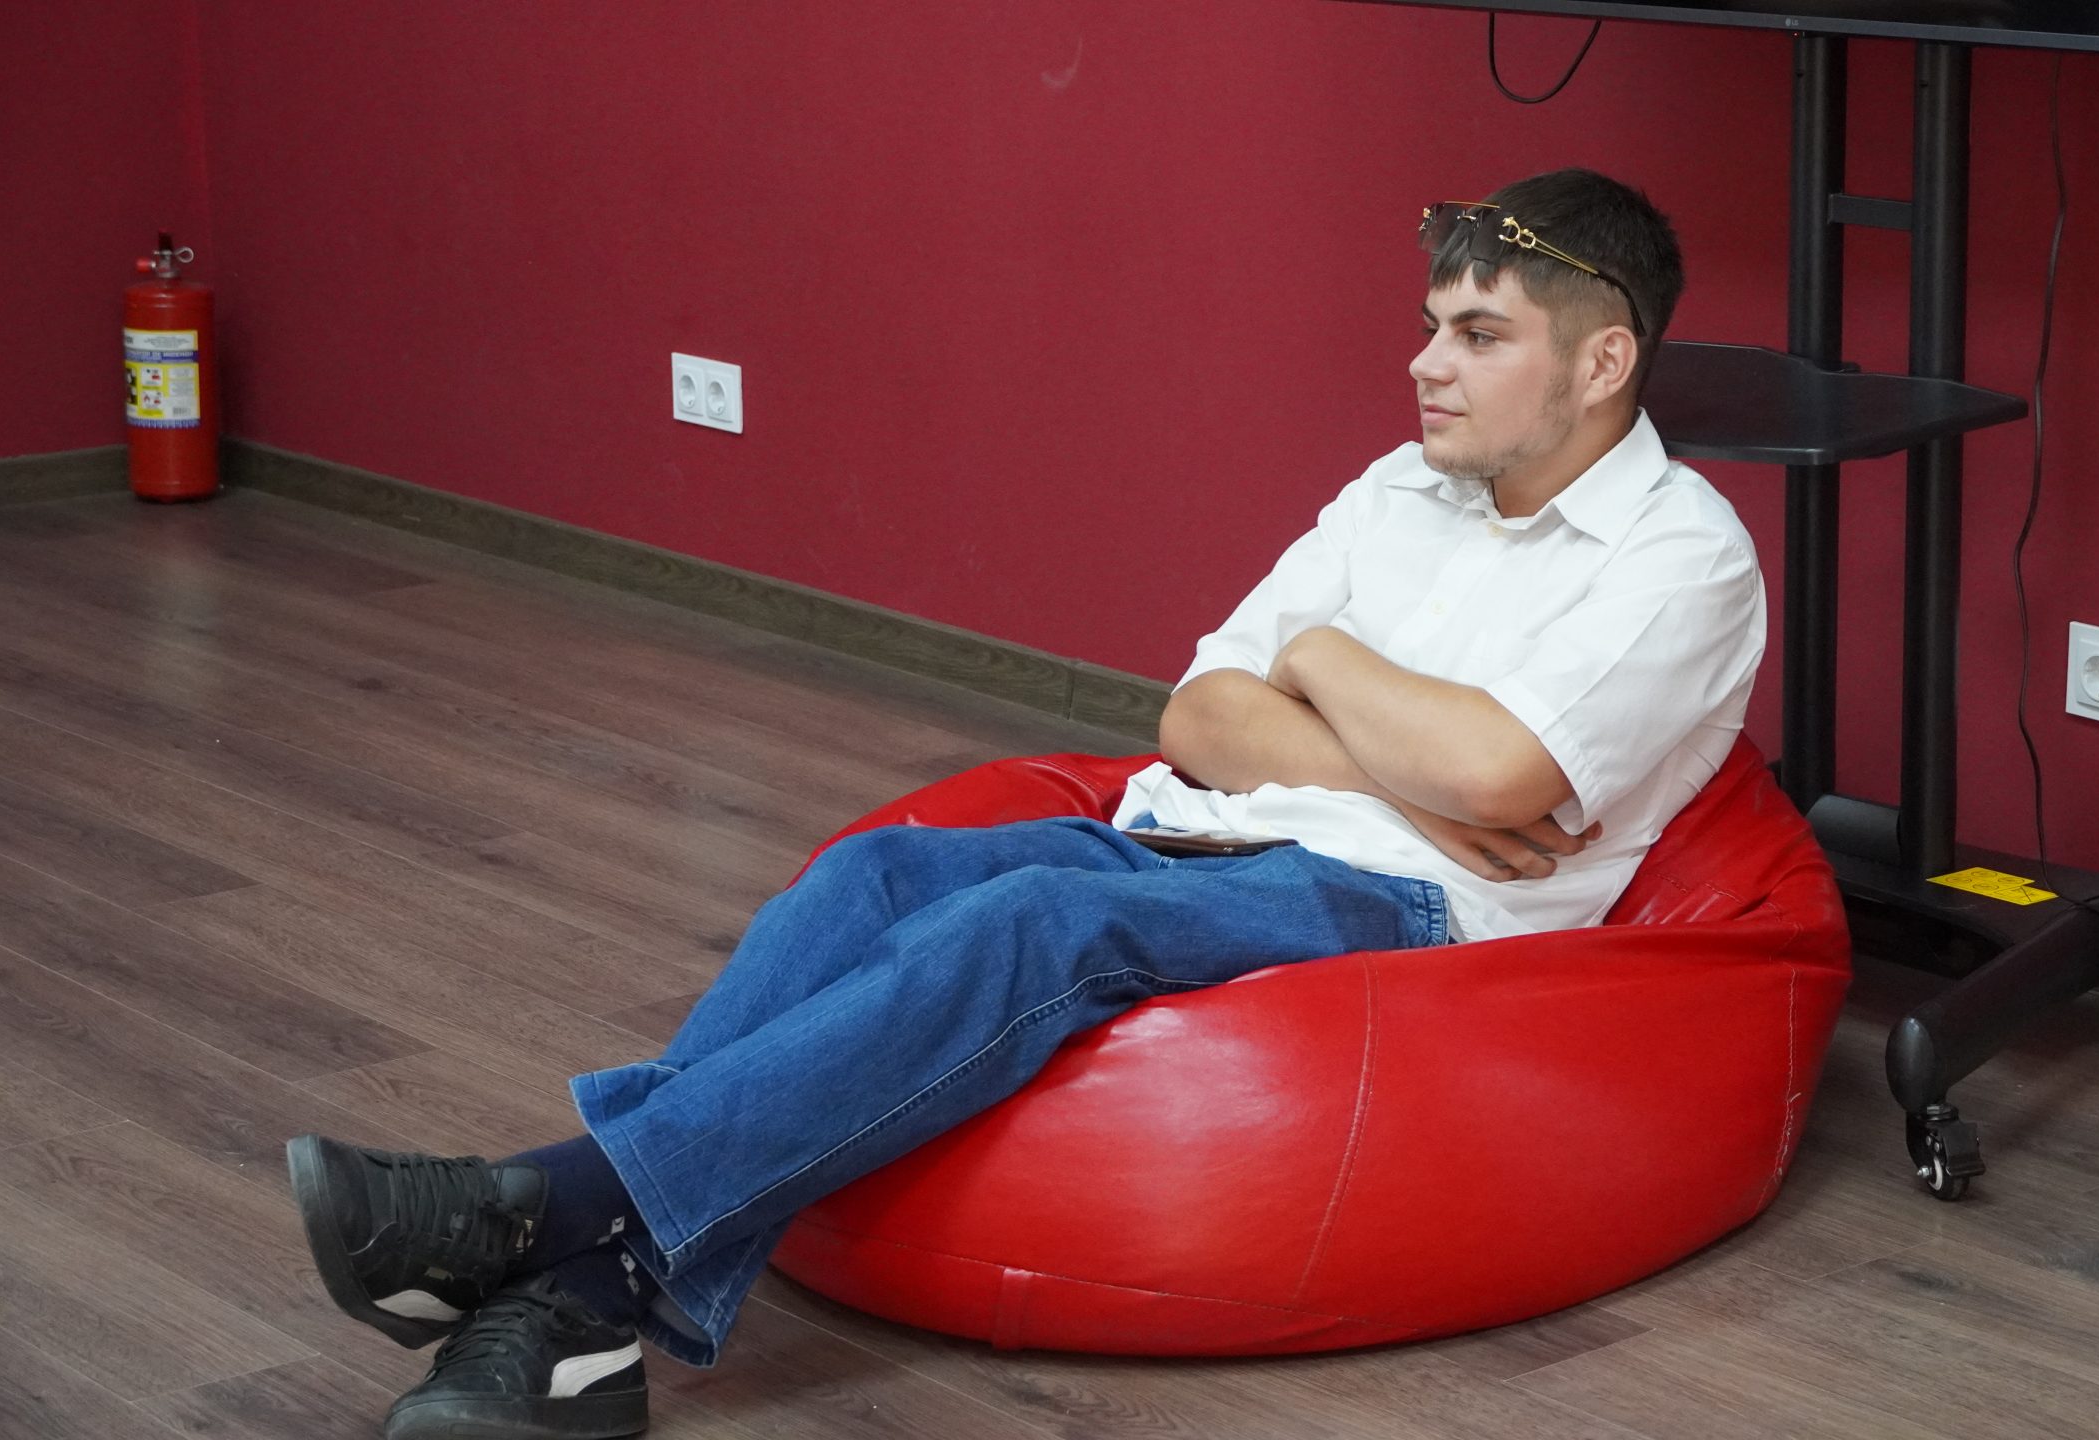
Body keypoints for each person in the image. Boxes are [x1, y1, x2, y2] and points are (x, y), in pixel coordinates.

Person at [284, 166, 1764, 1440]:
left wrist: (1323, 677)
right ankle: (587, 1303)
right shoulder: (1398, 491)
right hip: (1210, 830)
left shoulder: (1680, 554)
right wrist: (1371, 724)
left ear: (1602, 361)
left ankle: (541, 1206)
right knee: (869, 878)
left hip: (1415, 906)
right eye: (1433, 324)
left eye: (1479, 336)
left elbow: (1500, 782)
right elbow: (1198, 715)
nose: (1426, 364)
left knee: (1038, 922)